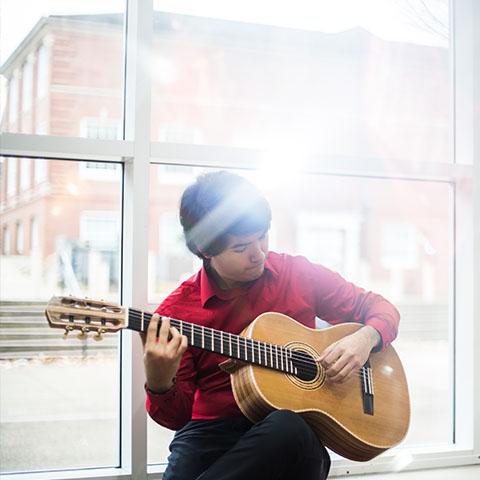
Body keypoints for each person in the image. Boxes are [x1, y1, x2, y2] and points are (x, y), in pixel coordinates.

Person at [142, 171, 400, 480]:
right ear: (204, 250)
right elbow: (177, 417)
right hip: (209, 435)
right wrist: (159, 381)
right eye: (241, 248)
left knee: (286, 426)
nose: (258, 254)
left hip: (293, 437)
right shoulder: (176, 314)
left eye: (262, 236)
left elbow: (381, 309)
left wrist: (365, 338)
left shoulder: (298, 273)